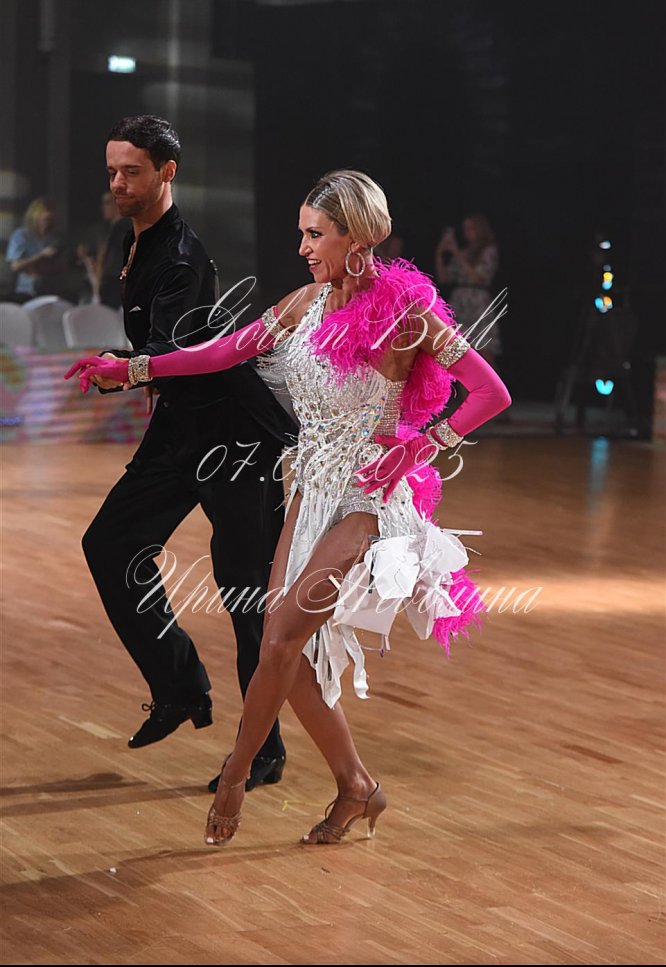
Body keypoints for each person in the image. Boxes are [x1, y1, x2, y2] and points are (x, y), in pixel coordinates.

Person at [67, 169, 511, 846]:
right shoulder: (305, 303)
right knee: (289, 654)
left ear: (354, 238)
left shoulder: (407, 313)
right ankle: (357, 785)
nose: (302, 246)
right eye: (301, 233)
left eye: (315, 234)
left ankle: (236, 775)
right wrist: (132, 368)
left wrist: (422, 446)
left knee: (276, 640)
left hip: (369, 494)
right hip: (309, 490)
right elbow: (223, 352)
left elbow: (490, 392)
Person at [67, 115, 297, 792]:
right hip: (181, 429)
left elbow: (171, 351)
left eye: (131, 172)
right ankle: (179, 686)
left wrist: (123, 368)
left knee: (245, 590)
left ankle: (264, 751)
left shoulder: (181, 255)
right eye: (112, 171)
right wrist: (120, 364)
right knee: (110, 543)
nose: (117, 183)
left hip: (235, 437)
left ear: (167, 172)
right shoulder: (133, 238)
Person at [434, 213, 501, 368]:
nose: (467, 232)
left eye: (471, 228)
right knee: (458, 352)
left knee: (484, 350)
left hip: (478, 301)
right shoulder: (463, 253)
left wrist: (456, 252)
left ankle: (490, 384)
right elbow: (444, 278)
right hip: (460, 301)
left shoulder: (489, 250)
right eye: (465, 229)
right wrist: (440, 253)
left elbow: (478, 277)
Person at [6, 197, 66, 299]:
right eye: (44, 220)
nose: (47, 224)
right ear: (35, 218)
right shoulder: (21, 235)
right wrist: (40, 256)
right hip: (26, 290)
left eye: (50, 220)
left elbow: (62, 267)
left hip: (50, 290)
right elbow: (15, 266)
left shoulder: (56, 238)